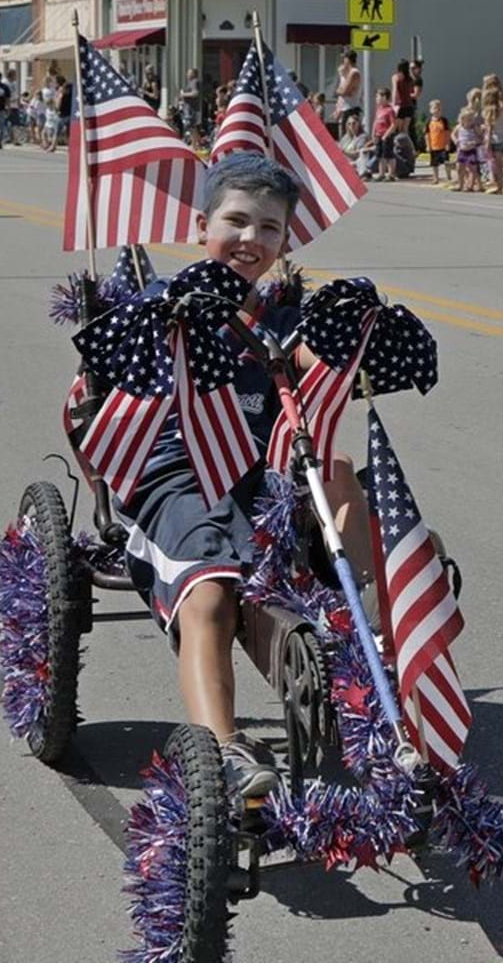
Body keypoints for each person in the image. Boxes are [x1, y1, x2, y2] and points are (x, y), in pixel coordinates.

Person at [81, 153, 371, 799]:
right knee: (211, 595)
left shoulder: (280, 318)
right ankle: (224, 749)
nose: (251, 238)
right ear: (200, 225)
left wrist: (354, 331)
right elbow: (108, 374)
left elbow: (315, 378)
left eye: (269, 228)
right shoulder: (166, 302)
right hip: (174, 483)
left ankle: (361, 639)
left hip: (254, 481)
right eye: (236, 221)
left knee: (343, 472)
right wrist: (183, 314)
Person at [454, 106, 484, 192]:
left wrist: (475, 142)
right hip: (462, 150)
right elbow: (453, 134)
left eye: (471, 119)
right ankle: (460, 184)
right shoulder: (459, 127)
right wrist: (456, 140)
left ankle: (470, 186)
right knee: (459, 168)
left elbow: (480, 137)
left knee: (472, 168)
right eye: (468, 119)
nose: (470, 121)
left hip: (471, 151)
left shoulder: (474, 128)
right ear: (462, 119)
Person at [332, 54, 360, 136]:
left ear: (348, 59)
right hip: (345, 108)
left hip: (350, 108)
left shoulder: (354, 73)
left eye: (344, 59)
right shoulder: (349, 73)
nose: (343, 62)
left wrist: (337, 91)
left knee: (346, 135)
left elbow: (344, 92)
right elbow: (344, 92)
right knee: (343, 133)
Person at [426, 100, 451, 186]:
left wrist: (448, 144)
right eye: (435, 108)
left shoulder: (444, 121)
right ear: (431, 110)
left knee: (446, 162)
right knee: (434, 164)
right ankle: (436, 178)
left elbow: (447, 133)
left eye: (439, 108)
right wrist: (428, 145)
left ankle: (448, 177)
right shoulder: (429, 122)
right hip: (434, 146)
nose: (437, 110)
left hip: (443, 146)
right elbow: (427, 135)